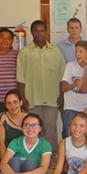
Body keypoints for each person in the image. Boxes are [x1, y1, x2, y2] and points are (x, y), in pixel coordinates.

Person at [17, 20, 66, 151]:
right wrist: (22, 97)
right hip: (31, 98)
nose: (39, 33)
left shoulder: (56, 51)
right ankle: (35, 156)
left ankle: (52, 156)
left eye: (42, 30)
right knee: (32, 129)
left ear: (46, 32)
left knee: (50, 129)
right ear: (32, 32)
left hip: (52, 98)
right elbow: (20, 77)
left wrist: (62, 96)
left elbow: (62, 76)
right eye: (36, 30)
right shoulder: (25, 52)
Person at [61, 40, 87, 139]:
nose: (77, 54)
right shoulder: (70, 66)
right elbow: (64, 88)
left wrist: (85, 70)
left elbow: (84, 89)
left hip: (86, 107)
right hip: (70, 106)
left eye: (81, 51)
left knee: (85, 134)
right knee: (69, 132)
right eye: (76, 51)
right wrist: (74, 84)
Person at [0, 89, 28, 174]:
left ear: (21, 102)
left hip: (25, 157)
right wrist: (5, 166)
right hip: (8, 159)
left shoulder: (29, 118)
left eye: (15, 102)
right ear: (5, 105)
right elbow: (1, 144)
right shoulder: (3, 118)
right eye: (9, 103)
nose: (12, 106)